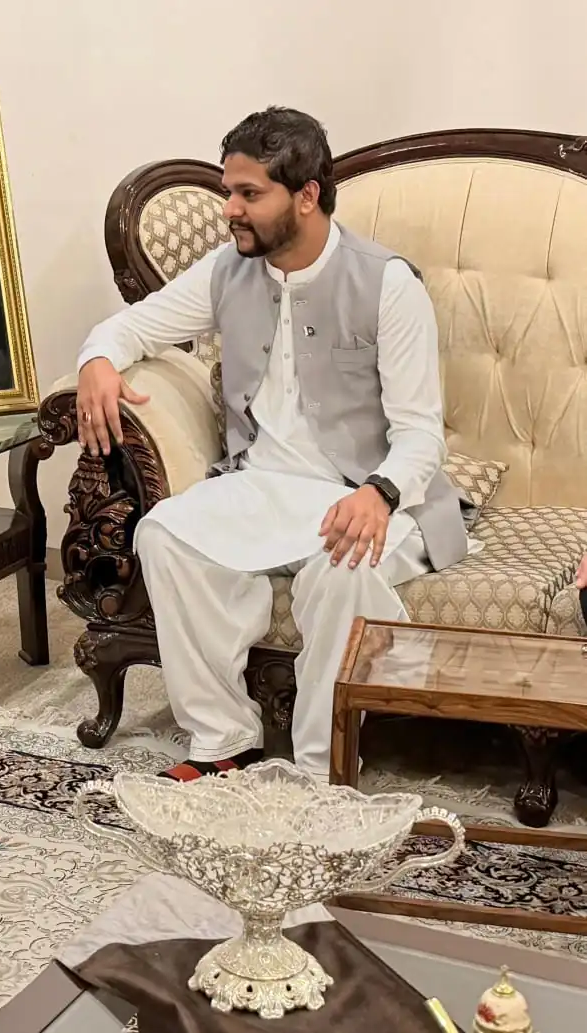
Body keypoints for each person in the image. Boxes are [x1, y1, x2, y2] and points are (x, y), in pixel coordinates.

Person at [74, 107, 467, 782]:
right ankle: (222, 736)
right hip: (261, 485)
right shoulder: (227, 271)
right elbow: (131, 328)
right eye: (229, 190)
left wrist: (379, 494)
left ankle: (321, 766)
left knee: (342, 570)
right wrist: (97, 362)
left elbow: (420, 432)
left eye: (249, 193)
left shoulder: (387, 284)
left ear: (306, 195)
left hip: (368, 493)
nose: (230, 209)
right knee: (163, 533)